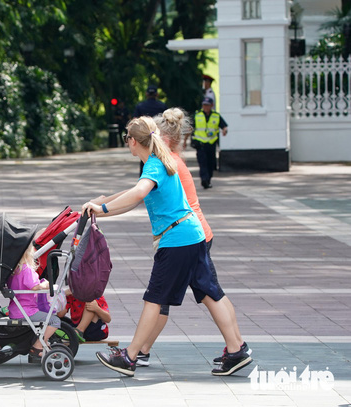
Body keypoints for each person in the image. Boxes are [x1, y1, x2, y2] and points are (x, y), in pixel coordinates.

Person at [85, 116, 251, 377]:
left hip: (177, 241)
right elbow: (134, 197)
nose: (126, 142)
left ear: (133, 141)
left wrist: (102, 207)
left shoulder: (153, 165)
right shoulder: (158, 161)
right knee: (210, 292)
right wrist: (102, 207)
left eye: (126, 138)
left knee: (155, 299)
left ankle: (130, 357)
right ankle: (236, 349)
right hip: (191, 236)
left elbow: (138, 193)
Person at [130, 108, 250, 373]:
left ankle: (139, 352)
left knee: (171, 297)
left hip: (186, 237)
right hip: (197, 235)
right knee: (212, 293)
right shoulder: (172, 160)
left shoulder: (165, 162)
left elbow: (150, 196)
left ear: (162, 137)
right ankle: (237, 347)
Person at [6, 243, 60, 363]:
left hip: (15, 310)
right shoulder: (26, 269)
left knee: (44, 321)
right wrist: (45, 284)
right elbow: (35, 287)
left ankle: (42, 343)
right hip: (26, 311)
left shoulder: (14, 270)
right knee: (55, 321)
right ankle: (37, 346)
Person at [191, 97, 228, 189]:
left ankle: (208, 179)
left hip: (211, 144)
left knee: (211, 163)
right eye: (204, 105)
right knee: (202, 162)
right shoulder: (197, 115)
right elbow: (190, 127)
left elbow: (224, 126)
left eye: (207, 105)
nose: (205, 107)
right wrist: (185, 141)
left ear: (212, 105)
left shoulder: (216, 116)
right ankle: (204, 179)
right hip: (200, 144)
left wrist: (224, 131)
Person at [133, 85, 167, 173]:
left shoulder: (140, 106)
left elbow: (135, 122)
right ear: (157, 94)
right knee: (159, 157)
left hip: (144, 136)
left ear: (146, 94)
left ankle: (145, 179)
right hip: (158, 137)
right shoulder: (162, 106)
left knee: (144, 158)